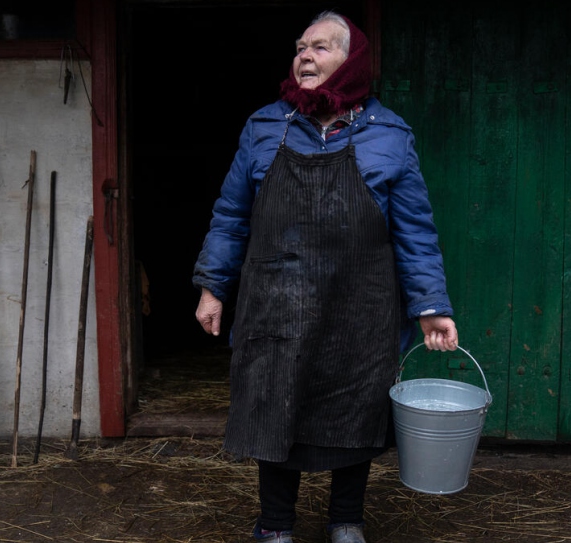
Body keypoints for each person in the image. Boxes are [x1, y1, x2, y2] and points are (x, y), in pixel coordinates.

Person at [192, 11, 458, 543]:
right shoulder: (265, 126)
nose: (304, 56)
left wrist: (431, 304)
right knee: (274, 402)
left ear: (350, 59)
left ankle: (345, 520)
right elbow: (231, 214)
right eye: (299, 47)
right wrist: (212, 286)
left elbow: (415, 232)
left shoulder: (390, 134)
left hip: (359, 304)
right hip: (277, 298)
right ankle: (274, 526)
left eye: (319, 47)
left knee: (356, 408)